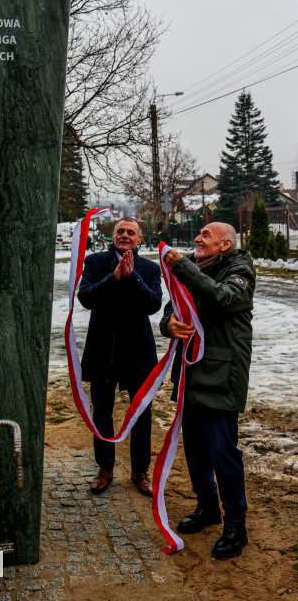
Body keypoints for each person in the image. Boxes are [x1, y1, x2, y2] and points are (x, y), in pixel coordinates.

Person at [160, 222, 255, 560]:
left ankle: (235, 525)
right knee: (197, 451)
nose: (197, 239)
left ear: (225, 244)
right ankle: (207, 508)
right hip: (191, 372)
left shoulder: (239, 269)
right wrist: (168, 323)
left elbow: (221, 297)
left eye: (205, 236)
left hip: (222, 376)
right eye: (198, 234)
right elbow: (175, 305)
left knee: (222, 454)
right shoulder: (195, 266)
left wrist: (181, 267)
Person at [78, 218, 162, 496]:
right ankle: (105, 468)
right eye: (120, 231)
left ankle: (140, 471)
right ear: (112, 235)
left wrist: (132, 276)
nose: (125, 235)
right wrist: (113, 277)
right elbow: (86, 297)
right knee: (102, 411)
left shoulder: (149, 268)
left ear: (140, 240)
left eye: (131, 233)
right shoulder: (95, 263)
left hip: (138, 353)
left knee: (141, 414)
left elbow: (153, 304)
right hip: (102, 350)